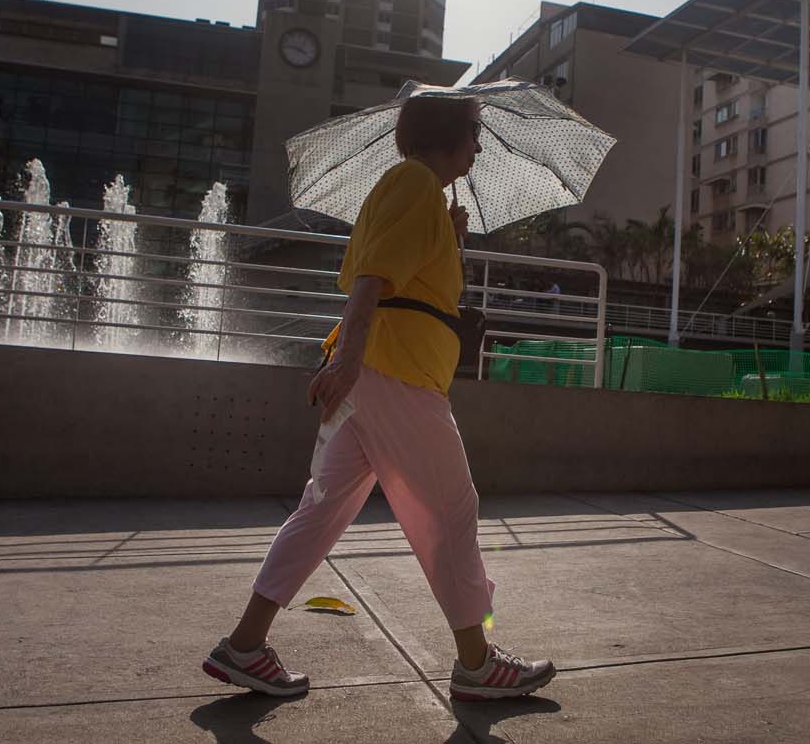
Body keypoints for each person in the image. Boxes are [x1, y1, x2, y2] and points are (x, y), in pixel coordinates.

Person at [203, 95, 556, 702]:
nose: (479, 145)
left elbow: (404, 279)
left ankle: (244, 646)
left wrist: (448, 240)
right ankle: (477, 664)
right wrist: (348, 360)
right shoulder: (415, 183)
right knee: (450, 511)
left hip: (375, 373)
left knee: (321, 511)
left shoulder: (416, 193)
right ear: (449, 135)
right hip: (395, 374)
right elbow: (372, 281)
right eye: (475, 133)